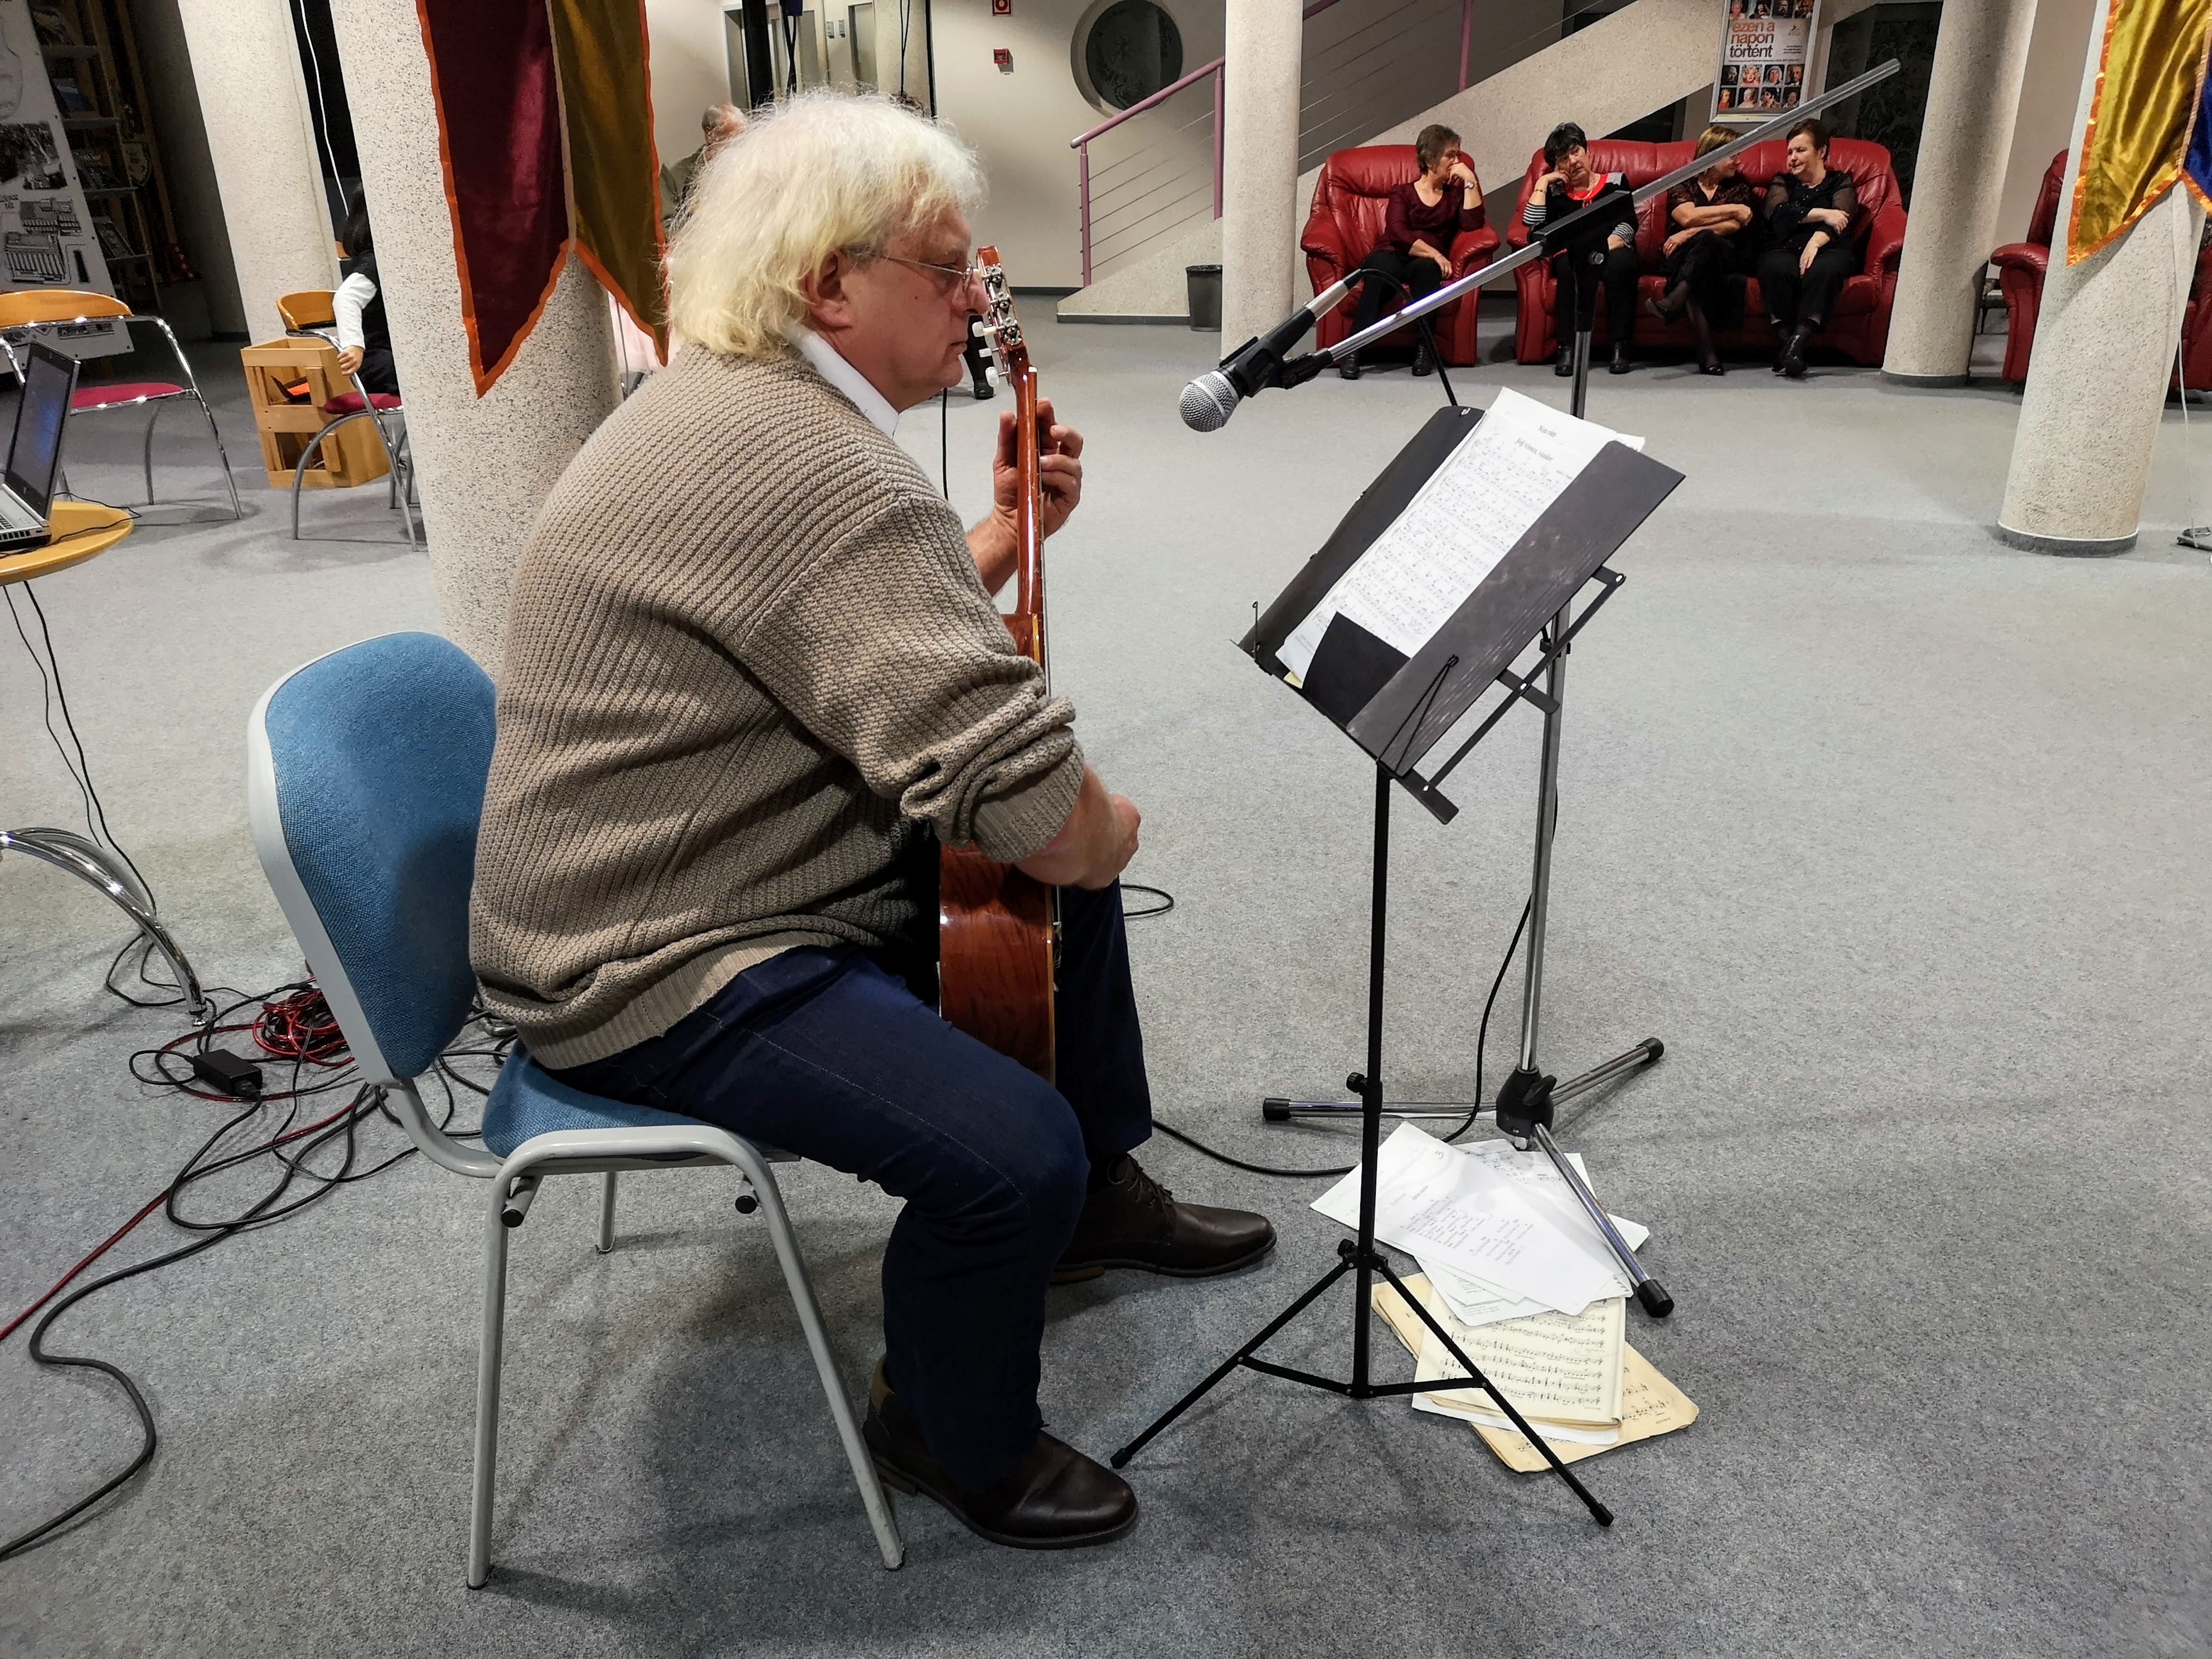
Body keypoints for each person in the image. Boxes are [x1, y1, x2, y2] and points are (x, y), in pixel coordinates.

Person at [469, 91, 1275, 1553]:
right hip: (645, 958)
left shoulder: (741, 408)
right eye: (948, 269)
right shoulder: (815, 463)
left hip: (678, 872)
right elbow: (1027, 801)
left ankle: (1096, 1198)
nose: (977, 299)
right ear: (829, 285)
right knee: (1011, 1134)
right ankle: (947, 1424)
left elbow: (821, 630)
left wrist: (994, 541)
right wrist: (1105, 830)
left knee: (1038, 908)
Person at [1338, 124, 1483, 382]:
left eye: (1458, 155)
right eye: (1450, 156)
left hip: (1423, 262)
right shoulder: (1402, 192)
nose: (1456, 162)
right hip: (1393, 252)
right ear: (1430, 159)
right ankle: (1353, 348)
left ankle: (1424, 350)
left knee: (1428, 271)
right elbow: (1398, 234)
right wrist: (1436, 254)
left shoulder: (1454, 195)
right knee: (1380, 271)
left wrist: (1470, 180)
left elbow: (1473, 224)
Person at [1522, 121, 1640, 375]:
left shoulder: (1615, 182)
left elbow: (1629, 223)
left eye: (1576, 152)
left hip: (1613, 248)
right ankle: (1567, 347)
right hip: (1572, 253)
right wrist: (1543, 182)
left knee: (1621, 265)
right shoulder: (1555, 192)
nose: (1573, 162)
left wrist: (1600, 249)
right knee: (1568, 268)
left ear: (1588, 153)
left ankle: (1620, 346)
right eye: (1564, 159)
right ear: (1557, 167)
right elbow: (1532, 224)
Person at [1644, 124, 1756, 375]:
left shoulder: (1739, 187)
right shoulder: (1683, 182)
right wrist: (1733, 209)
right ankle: (1707, 355)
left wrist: (1689, 233)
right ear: (1712, 155)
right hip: (1682, 256)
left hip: (1725, 254)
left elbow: (1734, 226)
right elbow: (1687, 216)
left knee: (1706, 242)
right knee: (1700, 267)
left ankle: (1674, 302)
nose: (1738, 161)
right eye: (1733, 155)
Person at [1757, 117, 1859, 378]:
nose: (1793, 158)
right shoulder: (1783, 182)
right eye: (1790, 152)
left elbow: (1842, 219)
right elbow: (1778, 214)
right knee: (1774, 267)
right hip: (1786, 247)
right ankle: (1789, 345)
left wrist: (1814, 242)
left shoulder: (1840, 182)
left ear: (1821, 152)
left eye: (1801, 150)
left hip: (1828, 248)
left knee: (1825, 270)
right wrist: (1823, 213)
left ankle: (1796, 344)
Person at [331, 202, 396, 397]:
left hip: (391, 354)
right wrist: (354, 346)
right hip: (376, 359)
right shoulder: (374, 262)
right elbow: (345, 298)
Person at [660, 102, 747, 229]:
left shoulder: (749, 168)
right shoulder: (674, 174)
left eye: (742, 140)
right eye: (731, 139)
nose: (739, 147)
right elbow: (667, 225)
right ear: (710, 134)